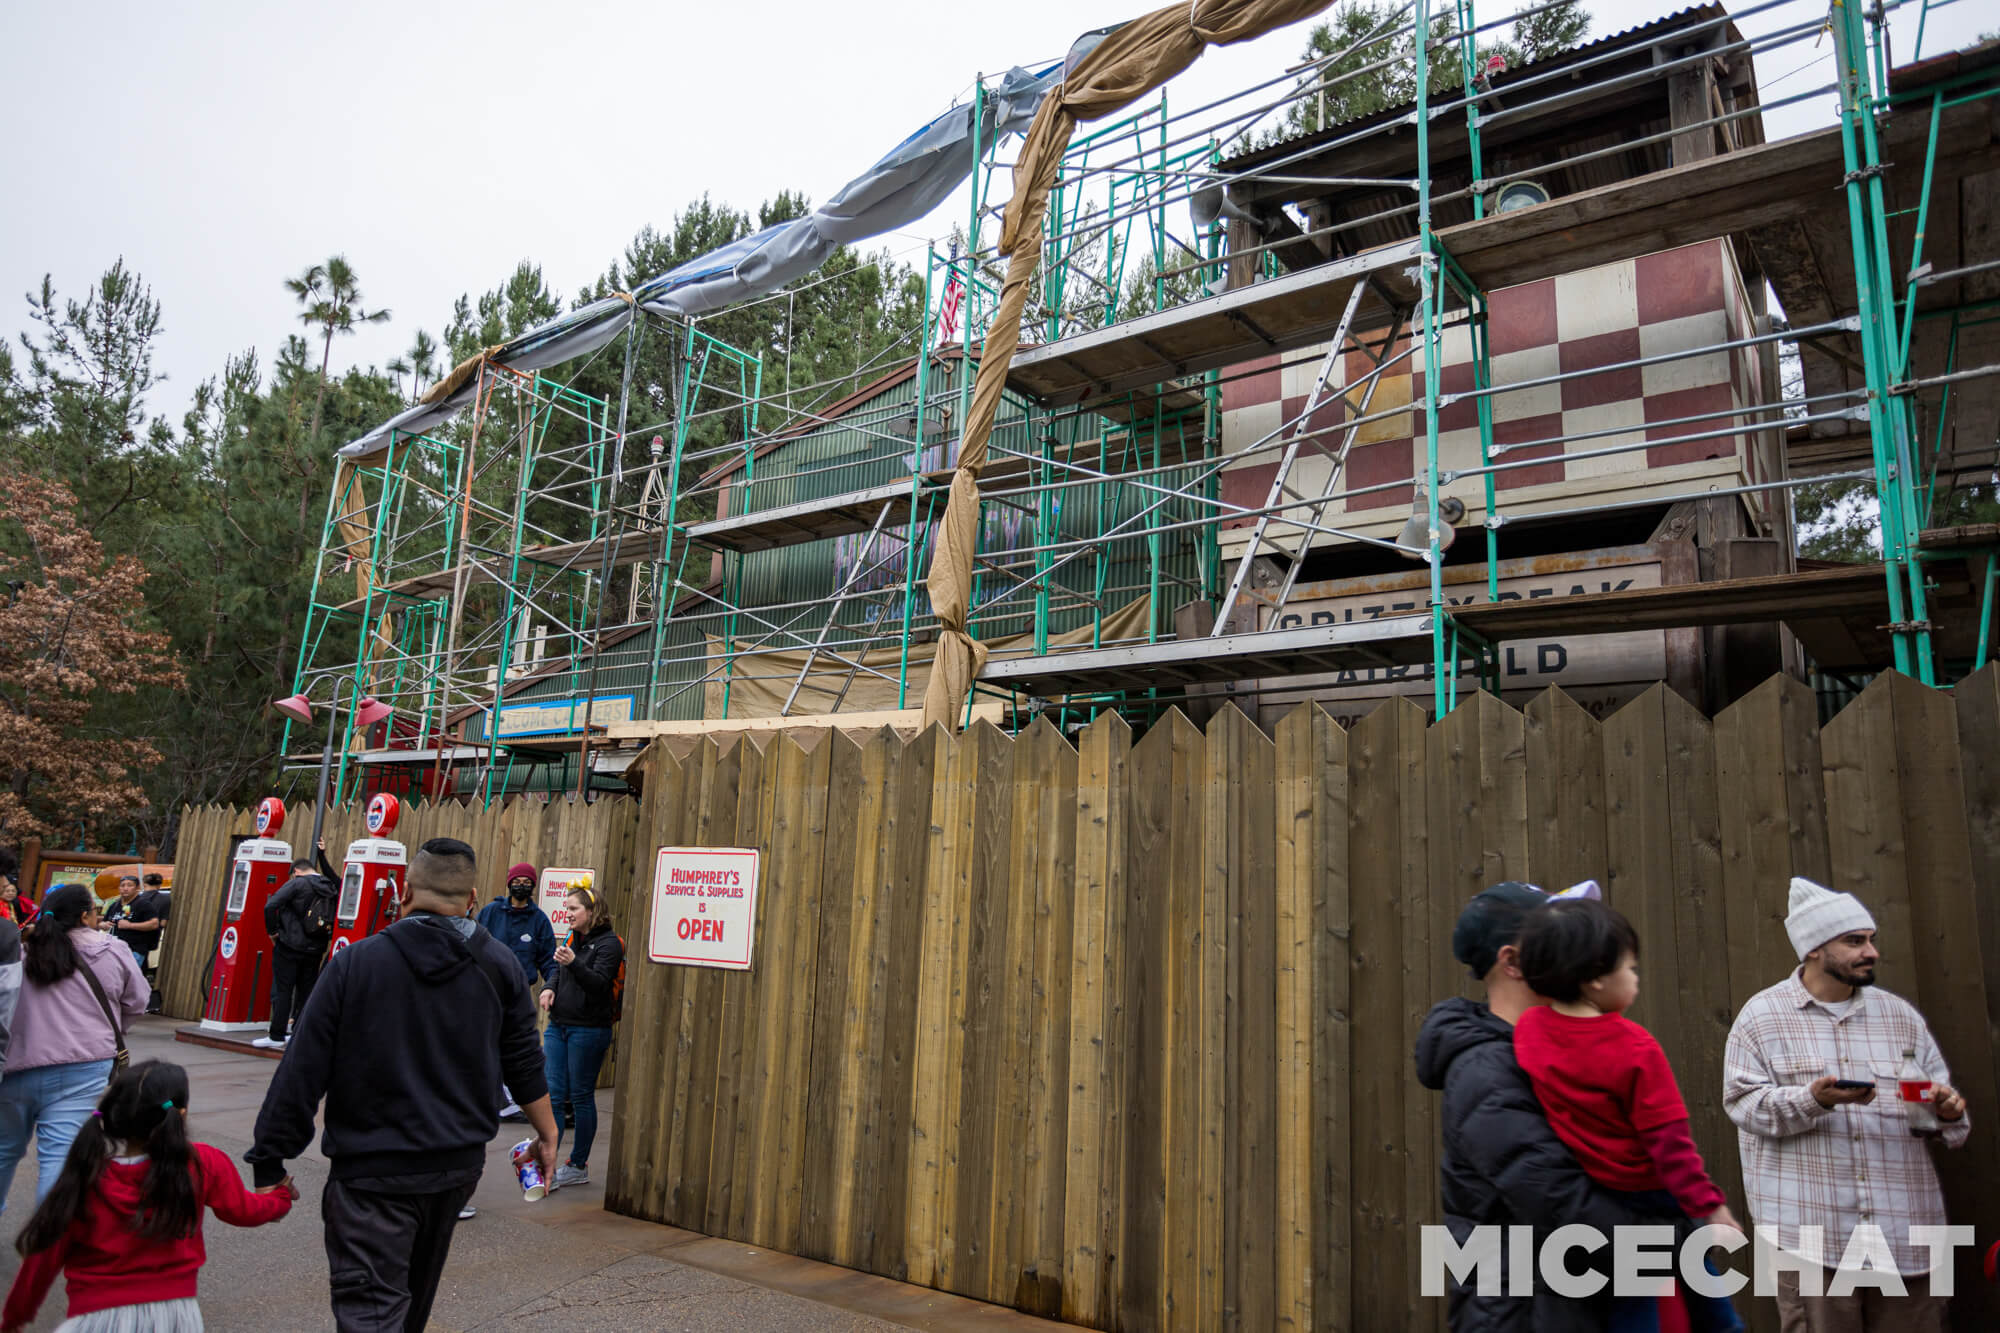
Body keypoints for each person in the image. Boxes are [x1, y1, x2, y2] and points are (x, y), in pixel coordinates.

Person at [246, 836, 558, 1331]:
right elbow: (523, 1060)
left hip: (371, 1172)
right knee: (408, 1306)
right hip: (454, 1168)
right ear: (473, 899)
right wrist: (547, 1133)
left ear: (405, 891)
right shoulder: (499, 966)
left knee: (371, 1310)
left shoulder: (356, 963)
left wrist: (270, 1157)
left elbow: (303, 1066)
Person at [1417, 881, 1695, 1333]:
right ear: (1511, 962)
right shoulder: (1486, 1069)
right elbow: (1559, 1198)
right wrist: (1673, 1239)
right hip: (1531, 1310)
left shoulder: (1561, 1050)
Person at [1724, 878, 1970, 1331]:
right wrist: (1813, 1099)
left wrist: (1948, 1111)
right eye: (1854, 941)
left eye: (1871, 940)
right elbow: (1743, 1105)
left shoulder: (1900, 1017)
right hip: (1811, 1237)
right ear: (1814, 949)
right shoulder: (1761, 1018)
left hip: (1905, 1232)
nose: (1871, 952)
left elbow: (1944, 1115)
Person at [1515, 896, 1743, 1333]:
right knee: (1708, 1297)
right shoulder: (1633, 1047)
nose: (1635, 979)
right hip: (1652, 1192)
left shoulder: (1529, 1031)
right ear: (1595, 979)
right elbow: (1669, 1143)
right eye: (1630, 969)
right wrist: (1710, 1206)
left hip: (1596, 1194)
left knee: (1633, 1306)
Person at [1, 1060, 294, 1332]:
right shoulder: (202, 1163)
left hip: (94, 1318)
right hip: (177, 1318)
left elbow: (43, 1258)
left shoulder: (84, 1177)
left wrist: (13, 1319)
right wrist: (280, 1198)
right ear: (180, 1114)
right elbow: (243, 1210)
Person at [0, 887, 149, 1213]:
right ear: (84, 916)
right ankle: (46, 1245)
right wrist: (109, 1031)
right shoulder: (113, 950)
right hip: (84, 1065)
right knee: (60, 1155)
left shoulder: (22, 951)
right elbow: (137, 1001)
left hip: (14, 1065)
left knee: (3, 1150)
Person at [538, 884, 622, 1190]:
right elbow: (558, 971)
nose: (568, 913)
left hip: (588, 1030)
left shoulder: (609, 944)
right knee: (554, 1097)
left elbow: (600, 984)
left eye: (573, 908)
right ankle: (548, 1163)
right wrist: (549, 986)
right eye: (567, 907)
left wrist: (574, 961)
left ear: (591, 911)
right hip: (558, 1025)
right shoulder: (573, 938)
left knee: (582, 1096)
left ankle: (577, 1165)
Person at [475, 862, 556, 1119]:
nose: (522, 885)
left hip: (520, 993)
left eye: (527, 881)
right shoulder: (490, 913)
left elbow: (548, 959)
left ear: (533, 885)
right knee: (487, 1041)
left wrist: (550, 986)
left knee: (516, 1044)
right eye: (517, 880)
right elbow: (471, 943)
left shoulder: (539, 920)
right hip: (486, 990)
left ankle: (508, 1099)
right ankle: (494, 1099)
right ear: (509, 883)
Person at [256, 841, 339, 1051]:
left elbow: (270, 906)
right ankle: (298, 1034)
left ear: (296, 872)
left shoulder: (297, 883)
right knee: (306, 991)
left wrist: (273, 932)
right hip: (316, 947)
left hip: (290, 946)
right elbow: (339, 881)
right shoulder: (330, 886)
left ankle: (277, 1035)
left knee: (282, 990)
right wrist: (322, 856)